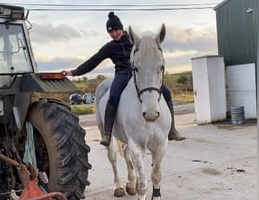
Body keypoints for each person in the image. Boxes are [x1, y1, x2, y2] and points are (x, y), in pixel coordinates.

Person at [62, 12, 185, 146]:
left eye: (116, 30)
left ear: (121, 28)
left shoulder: (134, 41)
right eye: (111, 32)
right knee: (113, 96)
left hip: (139, 73)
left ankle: (172, 129)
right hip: (122, 74)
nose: (114, 34)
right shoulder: (109, 47)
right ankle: (108, 133)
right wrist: (74, 72)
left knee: (166, 92)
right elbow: (93, 61)